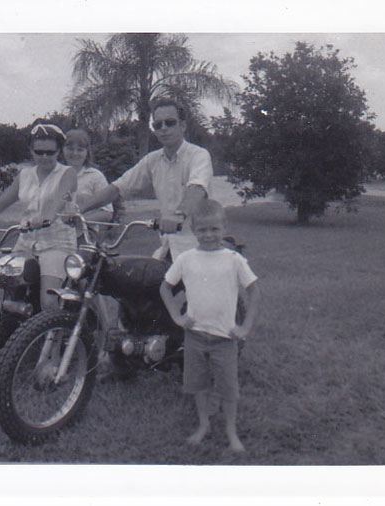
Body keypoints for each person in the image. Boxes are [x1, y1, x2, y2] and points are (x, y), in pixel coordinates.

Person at [160, 199, 260, 453]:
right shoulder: (186, 259)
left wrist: (245, 327)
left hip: (224, 338)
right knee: (198, 385)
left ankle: (230, 430)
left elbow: (254, 292)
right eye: (202, 230)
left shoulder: (234, 259)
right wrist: (177, 317)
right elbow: (165, 287)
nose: (208, 235)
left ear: (224, 227)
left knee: (228, 389)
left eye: (214, 229)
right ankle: (204, 424)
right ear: (193, 230)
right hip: (194, 336)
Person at [77, 97, 213, 260]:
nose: (163, 128)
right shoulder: (152, 160)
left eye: (170, 122)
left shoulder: (198, 156)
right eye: (157, 124)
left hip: (201, 246)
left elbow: (197, 189)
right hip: (168, 248)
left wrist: (178, 215)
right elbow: (118, 188)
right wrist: (79, 209)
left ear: (182, 126)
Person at [0, 122, 77, 311]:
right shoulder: (25, 175)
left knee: (48, 300)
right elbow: (1, 203)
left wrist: (45, 218)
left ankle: (55, 339)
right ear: (31, 151)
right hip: (25, 244)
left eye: (50, 152)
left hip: (56, 245)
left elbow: (58, 201)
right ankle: (14, 336)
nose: (44, 157)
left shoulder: (67, 173)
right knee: (9, 294)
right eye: (39, 151)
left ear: (59, 151)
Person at [62, 128, 113, 241]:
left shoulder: (95, 176)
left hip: (85, 236)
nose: (75, 153)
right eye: (70, 149)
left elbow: (107, 213)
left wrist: (81, 220)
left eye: (80, 150)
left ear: (87, 152)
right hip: (55, 236)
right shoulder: (54, 174)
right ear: (63, 149)